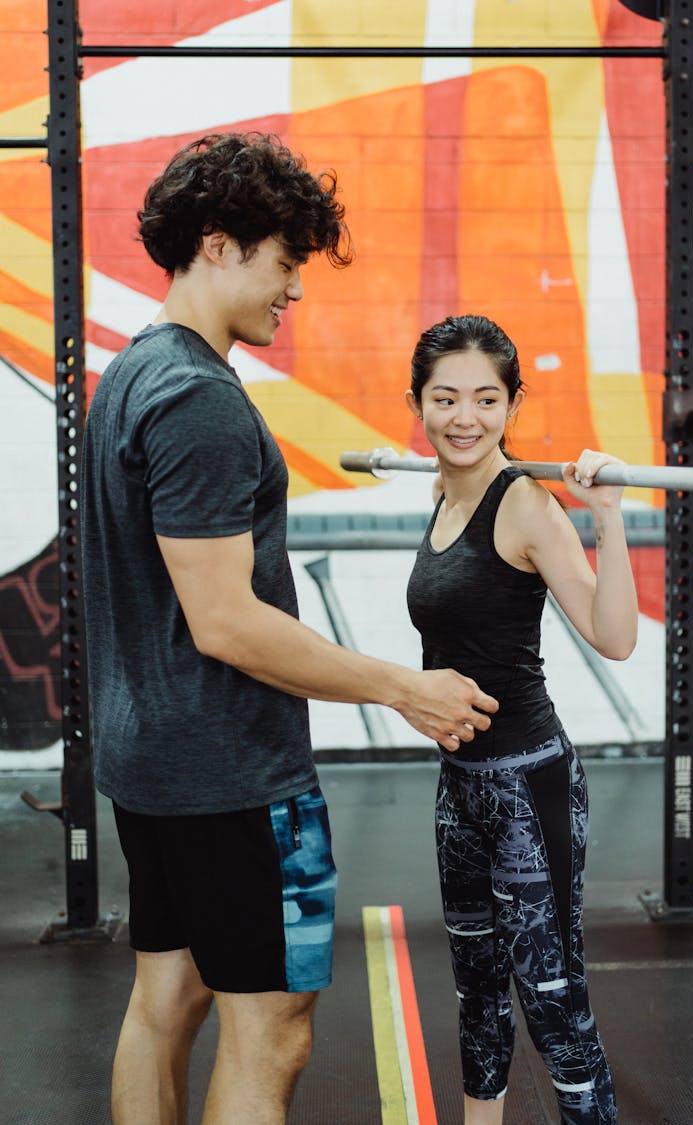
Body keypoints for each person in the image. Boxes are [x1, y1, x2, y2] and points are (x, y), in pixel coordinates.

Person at [80, 135, 498, 1125]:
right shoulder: (199, 401)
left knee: (165, 1004)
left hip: (152, 764)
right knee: (274, 1032)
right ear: (220, 246)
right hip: (230, 778)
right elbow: (226, 623)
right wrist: (407, 687)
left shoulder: (131, 375)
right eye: (285, 259)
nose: (295, 289)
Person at [404, 314, 638, 1124]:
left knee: (552, 1000)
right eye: (445, 398)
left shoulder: (527, 504)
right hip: (458, 789)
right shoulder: (442, 492)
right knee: (476, 992)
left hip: (525, 790)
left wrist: (606, 514)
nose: (463, 418)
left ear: (510, 404)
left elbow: (615, 638)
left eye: (484, 399)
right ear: (418, 404)